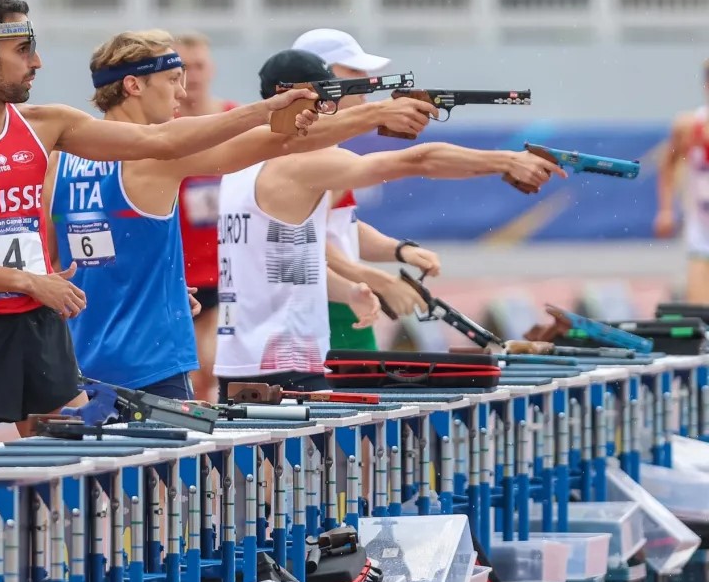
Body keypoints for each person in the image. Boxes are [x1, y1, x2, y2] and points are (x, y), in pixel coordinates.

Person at [0, 0, 324, 455]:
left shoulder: (47, 125)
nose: (37, 62)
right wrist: (29, 282)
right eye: (23, 51)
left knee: (82, 477)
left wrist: (264, 112)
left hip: (39, 331)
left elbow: (160, 141)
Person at [44, 29, 441, 401]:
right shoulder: (154, 157)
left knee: (95, 472)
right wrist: (375, 115)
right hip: (151, 365)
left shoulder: (60, 162)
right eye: (173, 80)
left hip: (83, 360)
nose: (183, 92)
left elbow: (58, 265)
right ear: (133, 85)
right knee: (166, 474)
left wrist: (152, 289)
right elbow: (281, 143)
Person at [214, 49, 569, 399]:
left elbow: (283, 260)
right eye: (324, 102)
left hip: (240, 361)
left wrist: (351, 289)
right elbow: (418, 161)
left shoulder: (239, 166)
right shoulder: (296, 166)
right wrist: (506, 160)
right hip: (285, 363)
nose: (330, 112)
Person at [292, 28, 442, 350]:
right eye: (355, 72)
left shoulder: (330, 149)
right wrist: (378, 281)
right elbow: (301, 240)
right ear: (322, 78)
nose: (367, 83)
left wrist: (399, 251)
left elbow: (338, 227)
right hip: (316, 310)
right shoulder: (303, 154)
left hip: (344, 304)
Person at [172, 32, 238, 402]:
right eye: (183, 68)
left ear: (210, 69)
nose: (192, 76)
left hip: (227, 270)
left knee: (215, 368)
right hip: (181, 270)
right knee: (193, 374)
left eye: (198, 66)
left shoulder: (233, 118)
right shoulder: (162, 129)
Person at [654, 60, 709, 303]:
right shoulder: (688, 126)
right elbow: (667, 165)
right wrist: (666, 209)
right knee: (702, 314)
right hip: (702, 232)